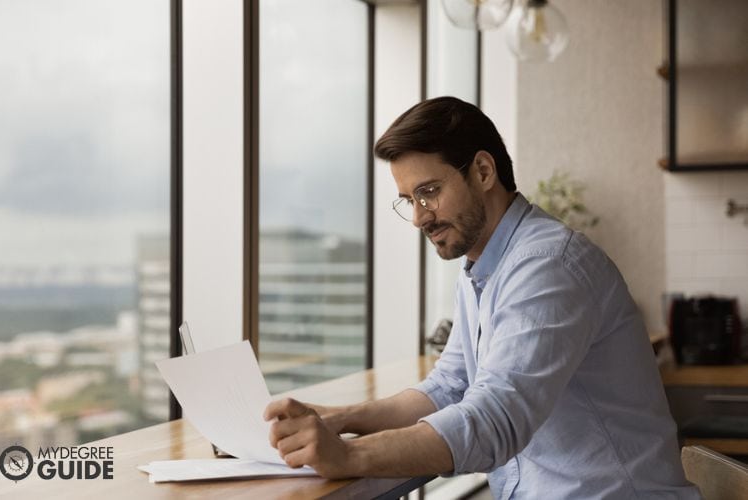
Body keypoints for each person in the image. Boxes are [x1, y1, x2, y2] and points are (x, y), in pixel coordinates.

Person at [264, 96, 701, 499]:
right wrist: (339, 420)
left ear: (484, 171)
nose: (418, 217)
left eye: (429, 192)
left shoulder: (547, 264)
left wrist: (350, 456)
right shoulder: (482, 266)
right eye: (408, 199)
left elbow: (497, 420)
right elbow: (449, 387)